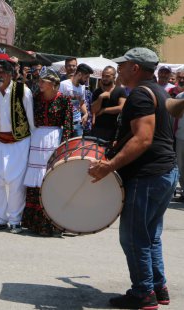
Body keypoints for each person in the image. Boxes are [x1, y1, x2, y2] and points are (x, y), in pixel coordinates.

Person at [89, 47, 177, 309]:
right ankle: (158, 287)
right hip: (164, 172)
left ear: (136, 68)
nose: (119, 69)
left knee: (133, 236)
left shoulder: (139, 94)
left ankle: (143, 293)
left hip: (147, 176)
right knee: (150, 235)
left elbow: (143, 138)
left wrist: (109, 166)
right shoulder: (159, 90)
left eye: (123, 65)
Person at [0, 54, 35, 234]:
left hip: (19, 142)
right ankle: (0, 219)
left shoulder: (23, 91)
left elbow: (30, 119)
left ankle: (15, 220)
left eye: (2, 72)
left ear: (10, 74)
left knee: (16, 183)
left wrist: (32, 145)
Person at [21, 70, 73, 236]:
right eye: (39, 81)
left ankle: (51, 222)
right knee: (35, 179)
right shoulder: (36, 98)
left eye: (43, 82)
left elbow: (68, 126)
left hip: (53, 140)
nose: (40, 84)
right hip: (37, 139)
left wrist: (64, 148)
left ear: (53, 83)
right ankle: (33, 223)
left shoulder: (64, 100)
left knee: (50, 178)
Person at [89, 66, 126, 142]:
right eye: (103, 76)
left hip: (113, 129)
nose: (105, 78)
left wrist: (104, 110)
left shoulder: (120, 91)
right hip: (98, 128)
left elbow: (122, 107)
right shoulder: (97, 92)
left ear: (114, 77)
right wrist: (100, 98)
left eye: (108, 76)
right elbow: (93, 110)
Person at [59, 63, 92, 137]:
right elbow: (57, 103)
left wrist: (86, 113)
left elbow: (82, 103)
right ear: (79, 74)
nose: (87, 80)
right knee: (64, 147)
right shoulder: (64, 84)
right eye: (86, 77)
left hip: (77, 122)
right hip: (64, 123)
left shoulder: (82, 87)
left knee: (77, 146)